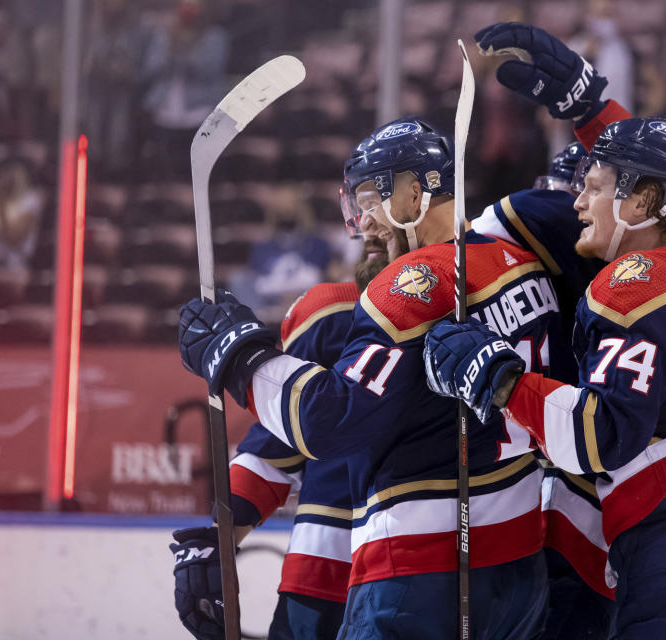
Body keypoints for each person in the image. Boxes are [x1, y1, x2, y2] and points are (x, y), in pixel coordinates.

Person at [424, 23, 666, 639]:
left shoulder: (635, 285)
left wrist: (498, 378)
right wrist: (588, 106)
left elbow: (602, 437)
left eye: (593, 188)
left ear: (637, 202)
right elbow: (662, 179)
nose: (577, 201)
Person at [177, 118, 567, 639]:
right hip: (518, 563)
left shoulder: (404, 287)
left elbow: (328, 421)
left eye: (368, 199)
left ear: (413, 192)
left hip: (414, 567)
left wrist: (237, 354)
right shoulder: (524, 268)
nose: (361, 223)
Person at [171, 280, 358, 640]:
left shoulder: (467, 299)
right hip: (322, 574)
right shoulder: (332, 309)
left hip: (428, 566)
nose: (367, 223)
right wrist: (218, 541)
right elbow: (276, 448)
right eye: (358, 218)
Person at [480, 142, 616, 639]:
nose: (574, 209)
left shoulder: (544, 231)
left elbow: (524, 211)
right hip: (595, 482)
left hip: (570, 478)